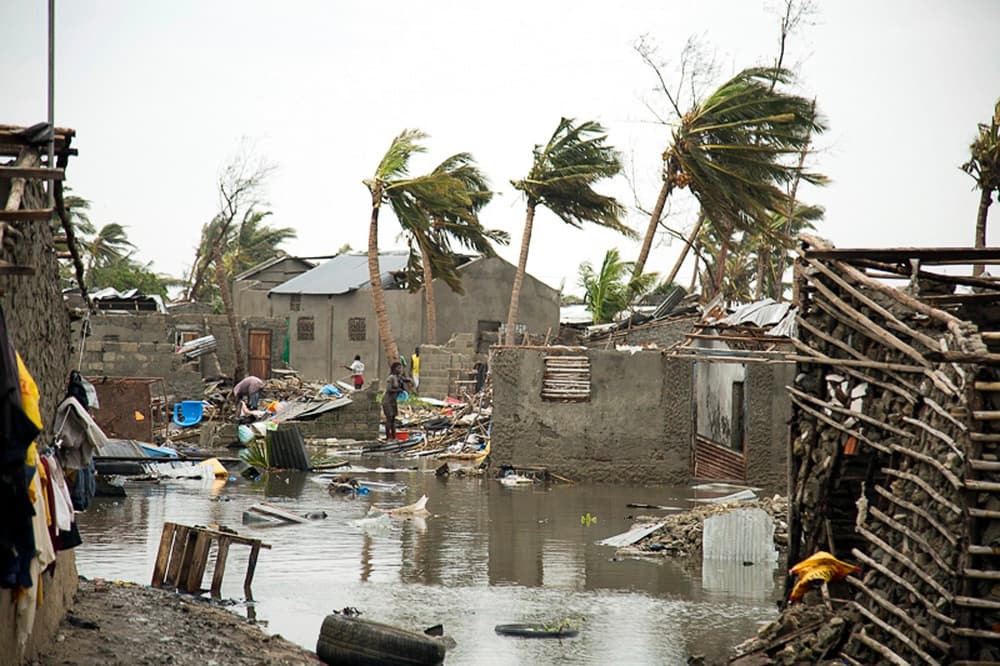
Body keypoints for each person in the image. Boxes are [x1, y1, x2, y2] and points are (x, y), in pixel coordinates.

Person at [381, 361, 412, 441]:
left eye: (400, 368)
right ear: (394, 369)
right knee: (389, 419)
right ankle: (388, 438)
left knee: (393, 419)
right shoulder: (391, 378)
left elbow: (405, 380)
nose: (400, 369)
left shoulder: (399, 377)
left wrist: (410, 381)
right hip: (387, 401)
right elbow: (389, 389)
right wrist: (399, 389)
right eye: (398, 368)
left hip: (393, 401)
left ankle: (394, 437)